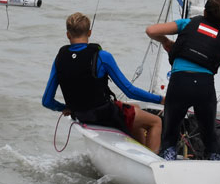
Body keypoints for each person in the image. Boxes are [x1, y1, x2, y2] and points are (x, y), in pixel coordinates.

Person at [145, 0, 220, 160]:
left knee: (170, 134)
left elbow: (151, 31)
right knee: (210, 136)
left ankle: (167, 160)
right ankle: (217, 162)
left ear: (204, 12)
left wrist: (166, 41)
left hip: (180, 84)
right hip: (204, 88)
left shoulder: (186, 24)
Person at [43, 12, 164, 152]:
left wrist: (65, 108)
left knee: (134, 108)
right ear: (89, 32)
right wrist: (160, 99)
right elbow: (129, 91)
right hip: (104, 115)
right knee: (156, 122)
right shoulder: (102, 56)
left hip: (81, 115)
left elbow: (47, 101)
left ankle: (140, 150)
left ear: (68, 35)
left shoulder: (59, 58)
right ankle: (152, 160)